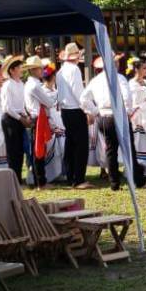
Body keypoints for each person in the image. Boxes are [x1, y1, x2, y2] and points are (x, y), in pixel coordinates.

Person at [80, 54, 138, 191]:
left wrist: (95, 111)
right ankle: (136, 179)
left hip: (103, 117)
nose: (117, 64)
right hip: (116, 115)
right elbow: (126, 97)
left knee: (111, 150)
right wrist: (127, 112)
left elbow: (83, 99)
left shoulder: (95, 80)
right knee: (129, 149)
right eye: (116, 62)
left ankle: (114, 183)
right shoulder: (119, 78)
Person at [57, 43, 91, 189]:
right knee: (81, 145)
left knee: (70, 144)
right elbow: (79, 93)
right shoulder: (74, 70)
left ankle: (71, 176)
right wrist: (88, 110)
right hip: (76, 109)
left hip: (65, 111)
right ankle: (79, 179)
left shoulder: (60, 71)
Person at [32, 60, 65, 188]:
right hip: (49, 120)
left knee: (60, 147)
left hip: (58, 119)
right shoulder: (41, 90)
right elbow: (47, 108)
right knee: (50, 148)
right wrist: (52, 124)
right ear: (53, 77)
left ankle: (59, 172)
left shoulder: (56, 91)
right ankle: (49, 175)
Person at [0, 56, 31, 183]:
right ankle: (14, 178)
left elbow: (21, 105)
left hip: (19, 117)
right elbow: (7, 107)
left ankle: (18, 176)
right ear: (12, 70)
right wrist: (20, 118)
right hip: (10, 119)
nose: (21, 70)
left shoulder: (21, 84)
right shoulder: (7, 85)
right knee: (13, 149)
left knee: (19, 150)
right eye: (18, 68)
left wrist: (25, 116)